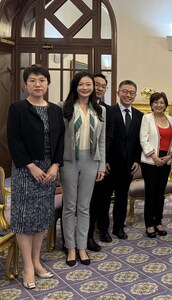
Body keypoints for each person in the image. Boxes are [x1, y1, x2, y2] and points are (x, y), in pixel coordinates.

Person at [7, 64, 65, 289]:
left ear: (48, 83)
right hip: (25, 170)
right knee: (24, 218)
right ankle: (27, 267)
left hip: (49, 171)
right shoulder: (18, 108)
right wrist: (30, 166)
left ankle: (37, 261)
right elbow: (14, 140)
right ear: (25, 84)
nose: (37, 84)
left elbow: (60, 141)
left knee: (42, 217)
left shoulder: (55, 110)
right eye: (32, 80)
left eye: (42, 80)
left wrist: (55, 166)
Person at [60, 71, 106, 267]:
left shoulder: (100, 110)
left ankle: (81, 247)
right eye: (81, 84)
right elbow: (59, 138)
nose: (85, 88)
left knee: (84, 207)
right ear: (75, 86)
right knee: (70, 206)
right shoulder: (65, 107)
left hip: (91, 160)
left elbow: (102, 140)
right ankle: (70, 247)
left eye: (89, 85)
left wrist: (101, 165)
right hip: (69, 160)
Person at [102, 80, 143, 240]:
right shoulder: (109, 112)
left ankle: (119, 227)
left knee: (121, 198)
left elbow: (139, 141)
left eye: (131, 92)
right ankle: (104, 229)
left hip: (128, 165)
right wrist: (103, 160)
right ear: (118, 93)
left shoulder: (139, 115)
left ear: (135, 95)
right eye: (125, 91)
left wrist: (136, 160)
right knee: (105, 199)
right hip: (110, 164)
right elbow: (103, 138)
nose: (128, 95)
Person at [140, 92, 172, 238]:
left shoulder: (171, 120)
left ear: (165, 104)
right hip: (150, 161)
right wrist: (154, 156)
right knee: (151, 193)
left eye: (161, 102)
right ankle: (149, 224)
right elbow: (143, 139)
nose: (158, 105)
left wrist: (170, 155)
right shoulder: (146, 118)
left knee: (160, 193)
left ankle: (158, 221)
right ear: (151, 104)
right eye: (155, 102)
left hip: (166, 161)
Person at [87, 74, 114, 251]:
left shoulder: (107, 110)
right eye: (97, 85)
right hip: (81, 163)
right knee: (85, 203)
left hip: (102, 164)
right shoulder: (77, 106)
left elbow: (108, 136)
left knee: (102, 199)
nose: (99, 88)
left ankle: (103, 230)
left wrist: (105, 161)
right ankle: (85, 236)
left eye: (103, 86)